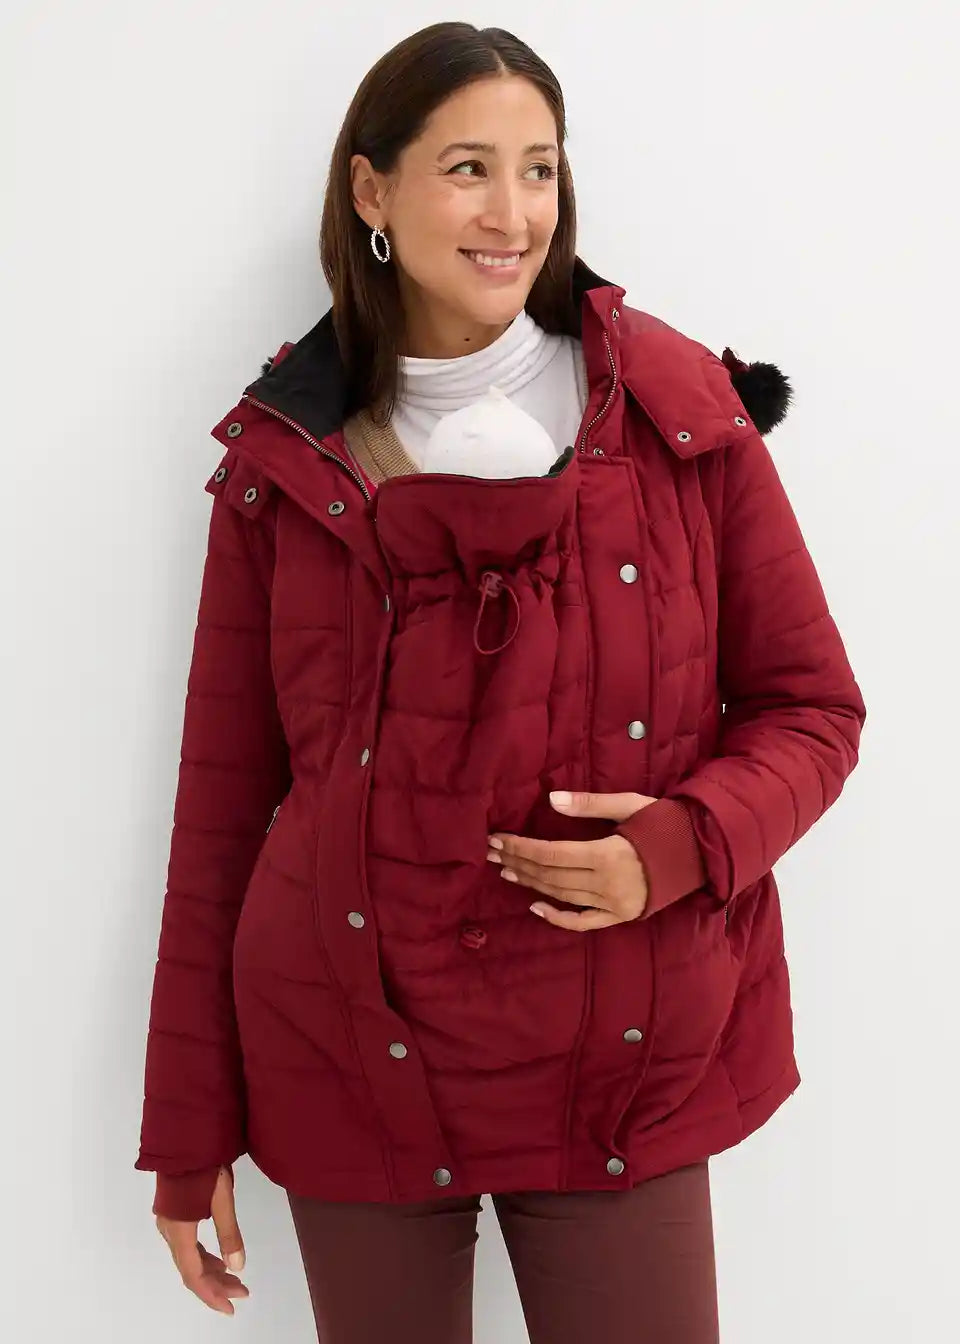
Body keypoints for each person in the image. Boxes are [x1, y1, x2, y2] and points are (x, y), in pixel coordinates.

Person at [134, 20, 866, 1344]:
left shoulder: (677, 414)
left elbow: (814, 710)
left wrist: (678, 848)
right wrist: (188, 1129)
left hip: (622, 1067)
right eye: (468, 167)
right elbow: (225, 804)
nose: (513, 214)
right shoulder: (287, 465)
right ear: (373, 191)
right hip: (350, 1052)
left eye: (540, 169)